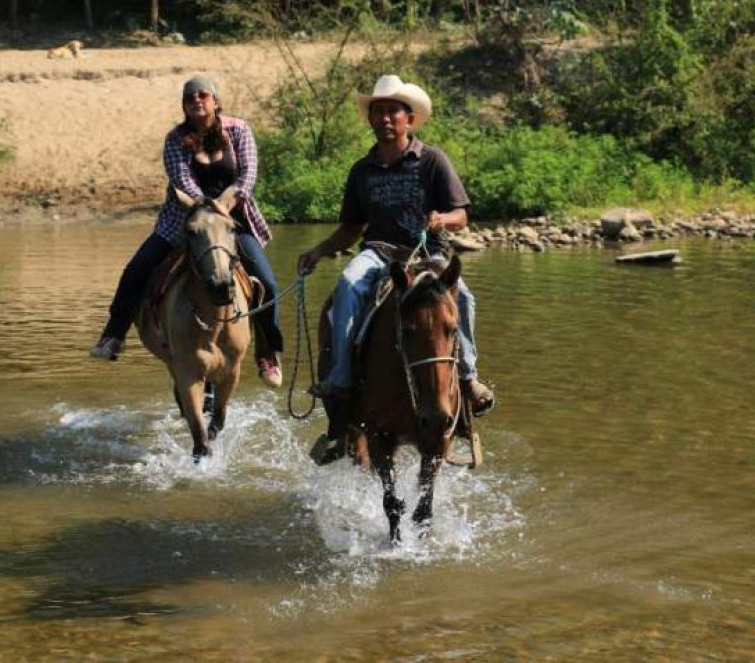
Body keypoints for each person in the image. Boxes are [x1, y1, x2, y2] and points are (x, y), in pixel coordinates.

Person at [297, 74, 494, 444]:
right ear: (371, 120)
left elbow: (461, 215)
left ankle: (468, 377)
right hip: (379, 253)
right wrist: (319, 251)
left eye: (393, 112)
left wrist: (441, 219)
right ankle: (340, 379)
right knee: (348, 286)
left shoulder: (432, 160)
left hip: (428, 254)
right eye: (378, 112)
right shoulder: (362, 171)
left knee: (464, 297)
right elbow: (352, 228)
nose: (385, 118)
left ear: (410, 119)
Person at [90, 74, 283, 388]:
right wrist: (206, 207)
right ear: (184, 105)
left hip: (232, 220)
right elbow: (183, 181)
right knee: (138, 268)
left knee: (269, 283)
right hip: (184, 220)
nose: (196, 100)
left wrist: (225, 205)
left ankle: (268, 352)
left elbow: (247, 176)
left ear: (216, 102)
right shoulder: (175, 139)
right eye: (190, 97)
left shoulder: (239, 130)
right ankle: (114, 334)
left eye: (203, 95)